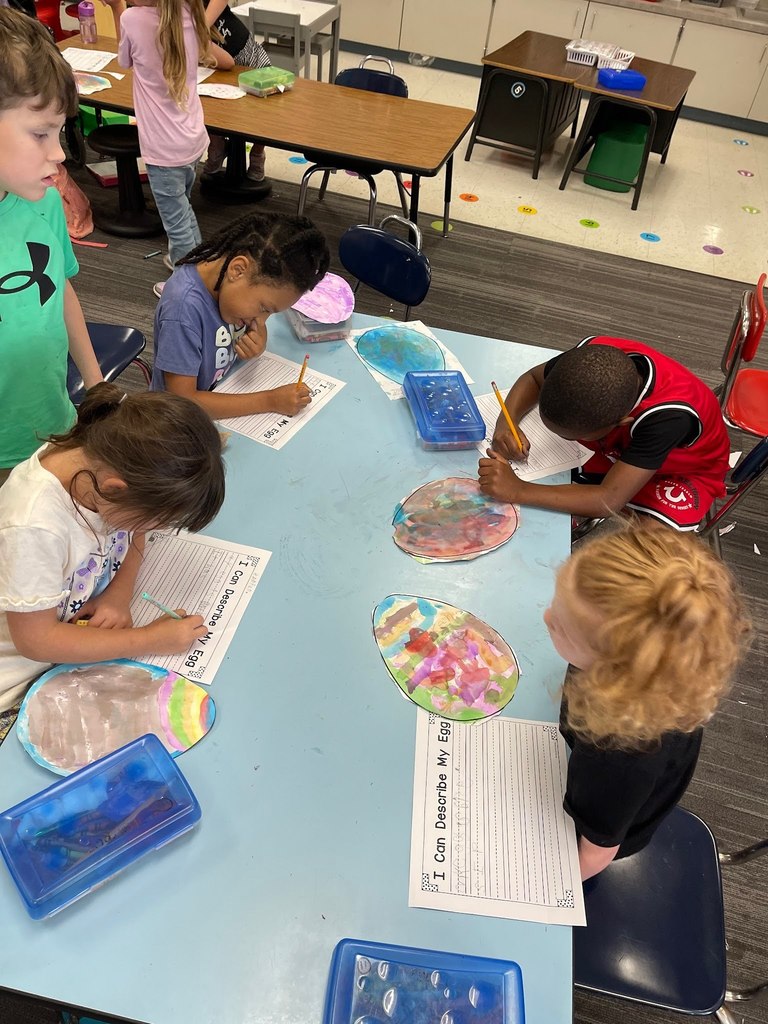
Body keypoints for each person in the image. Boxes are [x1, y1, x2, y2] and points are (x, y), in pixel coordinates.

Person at [0, 382, 226, 728]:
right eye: (159, 521)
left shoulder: (104, 464)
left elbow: (136, 530)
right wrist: (150, 640)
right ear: (115, 490)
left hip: (69, 638)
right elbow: (36, 641)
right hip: (20, 677)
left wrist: (119, 593)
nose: (156, 530)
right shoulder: (33, 527)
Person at [545, 524, 749, 881]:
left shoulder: (617, 755)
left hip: (597, 826)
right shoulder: (664, 668)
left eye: (561, 626)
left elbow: (596, 853)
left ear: (611, 673)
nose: (547, 617)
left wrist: (548, 884)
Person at [0, 8, 103, 484]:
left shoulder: (42, 204)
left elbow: (58, 291)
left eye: (58, 131)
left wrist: (96, 387)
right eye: (40, 133)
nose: (59, 152)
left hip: (53, 426)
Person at [479, 336, 731, 530]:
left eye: (572, 436)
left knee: (650, 546)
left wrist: (518, 490)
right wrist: (506, 421)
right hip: (621, 446)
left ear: (622, 422)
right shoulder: (590, 356)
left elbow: (608, 500)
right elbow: (534, 379)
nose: (566, 439)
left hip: (684, 468)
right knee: (556, 490)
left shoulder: (668, 418)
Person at [102, 0, 234, 286]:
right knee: (183, 211)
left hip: (163, 149)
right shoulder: (187, 11)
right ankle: (193, 264)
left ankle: (187, 286)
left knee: (177, 225)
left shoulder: (132, 19)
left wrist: (116, 8)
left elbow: (124, 61)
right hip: (191, 139)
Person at [151, 212, 330, 418]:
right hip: (176, 422)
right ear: (237, 270)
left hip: (222, 391)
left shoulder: (233, 287)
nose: (260, 321)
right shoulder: (182, 310)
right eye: (264, 308)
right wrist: (270, 401)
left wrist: (258, 340)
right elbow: (183, 401)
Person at [201, 0, 270, 184]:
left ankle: (257, 153)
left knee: (265, 109)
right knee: (209, 103)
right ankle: (217, 146)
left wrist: (199, 28)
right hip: (212, 63)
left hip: (247, 54)